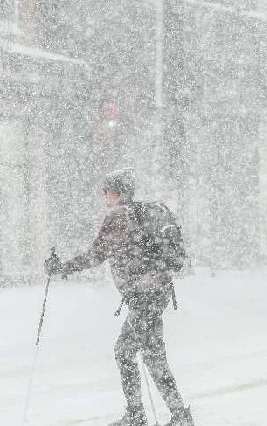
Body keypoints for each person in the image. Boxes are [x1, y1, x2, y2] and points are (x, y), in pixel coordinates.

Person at [45, 168, 194, 426]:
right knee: (152, 356)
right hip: (156, 293)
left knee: (126, 353)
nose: (105, 197)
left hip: (144, 297)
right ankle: (178, 415)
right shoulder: (144, 214)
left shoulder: (119, 217)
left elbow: (96, 254)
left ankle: (139, 416)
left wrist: (63, 268)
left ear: (116, 192)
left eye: (107, 191)